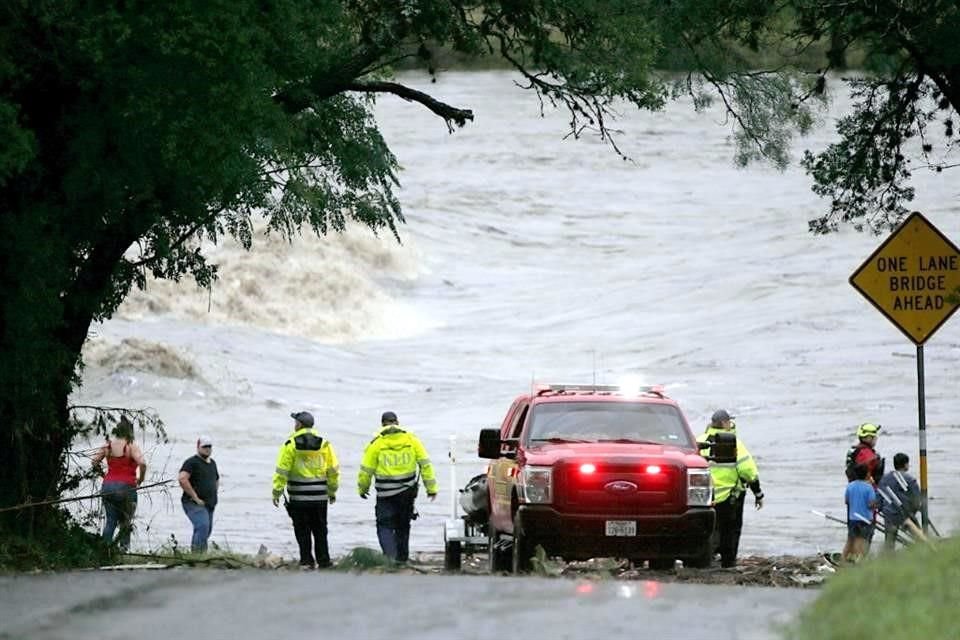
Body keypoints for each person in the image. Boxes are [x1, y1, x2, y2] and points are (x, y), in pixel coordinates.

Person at [358, 411, 438, 563]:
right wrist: (431, 488)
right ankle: (402, 559)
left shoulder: (376, 444)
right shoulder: (412, 440)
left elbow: (366, 470)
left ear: (382, 424)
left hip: (385, 494)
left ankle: (390, 558)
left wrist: (363, 489)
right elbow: (425, 465)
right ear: (397, 422)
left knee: (385, 525)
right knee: (403, 525)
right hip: (407, 492)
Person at [272, 411, 340, 569]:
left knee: (302, 530)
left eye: (295, 422)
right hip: (319, 496)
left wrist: (276, 492)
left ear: (299, 425)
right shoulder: (324, 443)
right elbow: (333, 470)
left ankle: (307, 561)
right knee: (320, 530)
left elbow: (282, 471)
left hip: (298, 497)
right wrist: (332, 491)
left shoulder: (291, 443)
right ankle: (324, 561)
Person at [697, 409, 763, 568]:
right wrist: (758, 493)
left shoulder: (699, 441)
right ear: (724, 423)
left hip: (702, 497)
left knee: (705, 531)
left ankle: (703, 560)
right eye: (729, 421)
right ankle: (728, 563)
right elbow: (748, 471)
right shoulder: (735, 443)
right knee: (731, 531)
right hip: (729, 498)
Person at [91, 416, 147, 551]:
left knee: (110, 521)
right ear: (130, 432)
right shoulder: (131, 447)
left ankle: (105, 551)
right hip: (126, 487)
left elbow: (94, 462)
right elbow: (143, 463)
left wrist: (103, 475)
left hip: (107, 486)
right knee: (125, 522)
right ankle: (124, 551)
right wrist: (140, 479)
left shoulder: (107, 446)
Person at [179, 435, 220, 553]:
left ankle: (201, 555)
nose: (207, 449)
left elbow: (216, 479)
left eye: (209, 446)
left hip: (209, 503)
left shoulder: (212, 463)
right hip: (193, 503)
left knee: (206, 530)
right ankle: (196, 555)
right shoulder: (191, 462)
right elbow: (182, 479)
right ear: (198, 447)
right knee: (202, 526)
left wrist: (214, 494)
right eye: (204, 446)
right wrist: (195, 497)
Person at [876, 452, 921, 551]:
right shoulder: (910, 479)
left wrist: (880, 508)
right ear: (905, 464)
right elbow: (917, 500)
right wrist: (913, 512)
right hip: (905, 513)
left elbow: (879, 495)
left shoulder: (885, 478)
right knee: (918, 535)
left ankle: (888, 559)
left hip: (889, 512)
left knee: (889, 540)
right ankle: (925, 551)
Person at [843, 463, 878, 562]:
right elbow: (871, 505)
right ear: (867, 474)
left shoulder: (850, 486)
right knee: (862, 542)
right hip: (865, 519)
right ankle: (858, 563)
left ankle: (843, 562)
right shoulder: (869, 487)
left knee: (850, 541)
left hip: (852, 518)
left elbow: (846, 501)